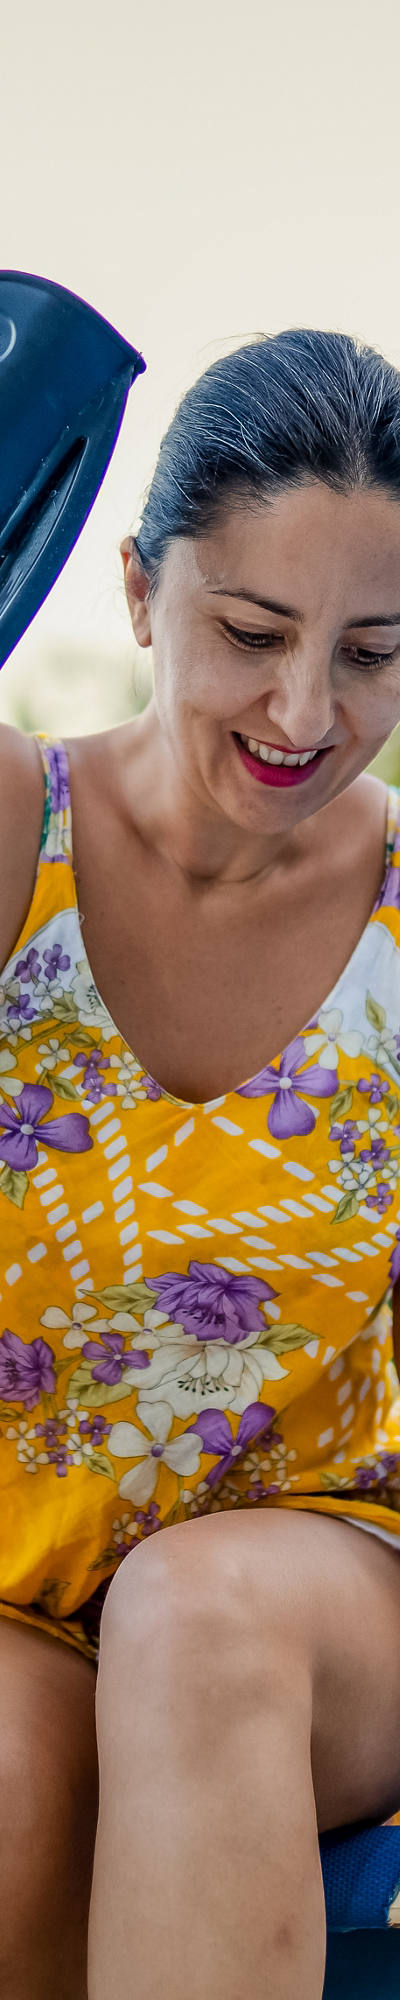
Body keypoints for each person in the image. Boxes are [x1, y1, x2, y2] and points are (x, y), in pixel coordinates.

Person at [1, 327, 400, 1999]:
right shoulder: (13, 826)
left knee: (198, 1622)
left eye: (377, 654)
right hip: (17, 1577)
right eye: (252, 632)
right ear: (139, 588)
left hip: (325, 1590)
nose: (307, 712)